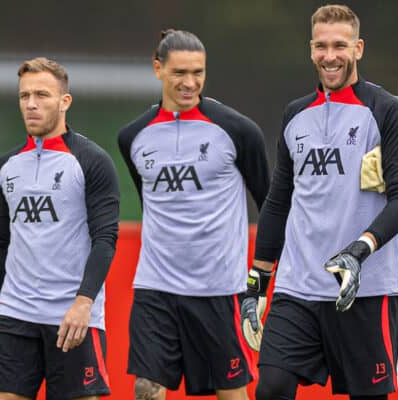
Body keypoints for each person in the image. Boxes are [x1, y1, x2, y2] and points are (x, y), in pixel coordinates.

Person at [240, 4, 398, 400]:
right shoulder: (295, 115)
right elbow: (277, 202)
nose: (330, 56)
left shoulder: (388, 111)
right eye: (321, 46)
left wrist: (358, 251)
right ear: (310, 50)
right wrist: (256, 283)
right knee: (271, 388)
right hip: (298, 287)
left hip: (366, 290)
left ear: (358, 48)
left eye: (340, 45)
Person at [118, 29, 270, 400]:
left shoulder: (238, 131)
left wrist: (261, 278)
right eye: (179, 73)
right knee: (145, 388)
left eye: (198, 72)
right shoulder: (132, 137)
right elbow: (151, 202)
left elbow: (270, 203)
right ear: (158, 69)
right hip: (155, 288)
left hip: (219, 289)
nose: (190, 83)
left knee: (231, 392)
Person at [0, 57, 120, 400]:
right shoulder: (7, 165)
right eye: (24, 96)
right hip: (15, 314)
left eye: (42, 95)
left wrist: (84, 303)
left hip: (72, 318)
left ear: (65, 101)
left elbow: (105, 238)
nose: (31, 104)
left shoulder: (92, 161)